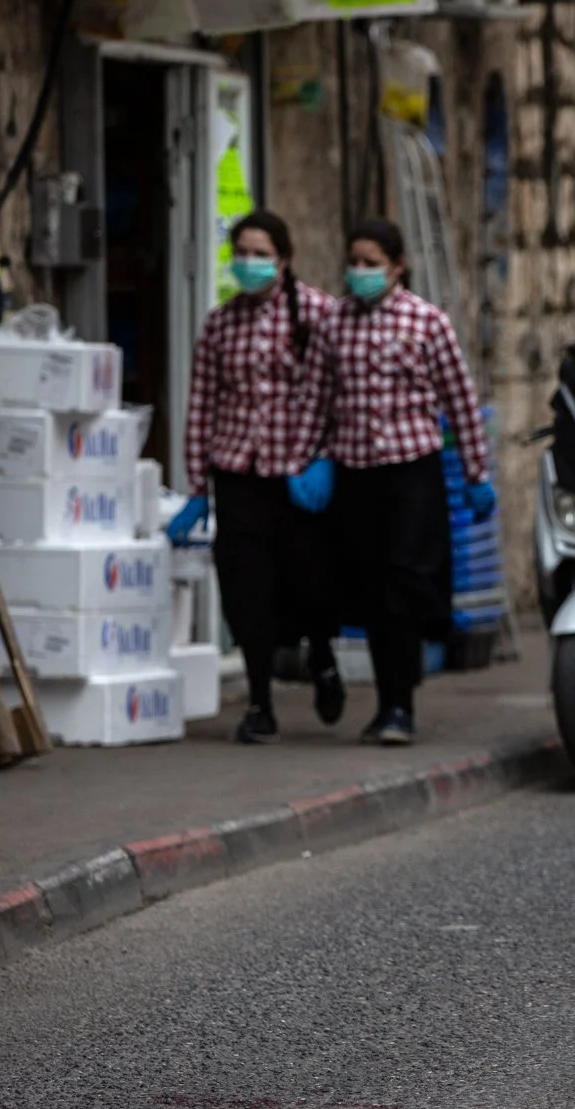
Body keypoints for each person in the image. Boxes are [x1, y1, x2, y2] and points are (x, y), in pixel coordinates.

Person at [298, 217, 494, 746]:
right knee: (365, 584)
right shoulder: (334, 324)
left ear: (397, 267)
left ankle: (398, 705)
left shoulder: (426, 322)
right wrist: (309, 459)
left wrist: (476, 473)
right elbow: (315, 400)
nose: (360, 273)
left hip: (412, 471)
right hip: (355, 473)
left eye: (371, 264)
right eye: (354, 263)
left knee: (404, 583)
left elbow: (459, 401)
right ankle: (387, 694)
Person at [171, 209, 344, 745]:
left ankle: (322, 654)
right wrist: (197, 485)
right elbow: (202, 402)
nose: (248, 263)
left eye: (260, 253)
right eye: (240, 252)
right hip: (238, 472)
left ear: (284, 259)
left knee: (307, 582)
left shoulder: (317, 314)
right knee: (246, 588)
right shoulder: (221, 323)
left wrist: (327, 458)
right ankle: (259, 701)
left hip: (295, 474)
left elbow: (343, 393)